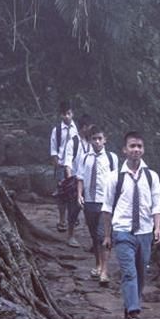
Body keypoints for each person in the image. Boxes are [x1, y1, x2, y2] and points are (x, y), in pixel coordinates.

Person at [106, 131, 160, 319]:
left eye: (139, 146)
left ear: (143, 149)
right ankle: (133, 313)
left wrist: (157, 227)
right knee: (129, 273)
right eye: (132, 146)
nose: (136, 149)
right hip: (122, 231)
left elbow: (157, 205)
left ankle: (130, 306)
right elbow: (107, 208)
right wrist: (107, 235)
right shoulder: (115, 177)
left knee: (140, 273)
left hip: (145, 232)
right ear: (124, 150)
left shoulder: (151, 176)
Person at [79, 126, 116, 284]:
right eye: (94, 138)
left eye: (100, 138)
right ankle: (98, 265)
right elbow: (80, 177)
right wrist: (79, 194)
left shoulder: (111, 158)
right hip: (89, 200)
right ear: (90, 140)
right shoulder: (85, 157)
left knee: (103, 235)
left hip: (105, 202)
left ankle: (105, 271)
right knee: (94, 235)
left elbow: (116, 179)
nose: (97, 141)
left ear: (105, 139)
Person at [48, 102, 82, 238]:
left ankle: (73, 217)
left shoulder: (77, 129)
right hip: (62, 165)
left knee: (73, 194)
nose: (67, 116)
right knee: (62, 194)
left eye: (69, 113)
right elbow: (53, 149)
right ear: (60, 115)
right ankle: (62, 219)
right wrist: (57, 166)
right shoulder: (57, 130)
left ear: (72, 113)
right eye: (64, 114)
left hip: (75, 165)